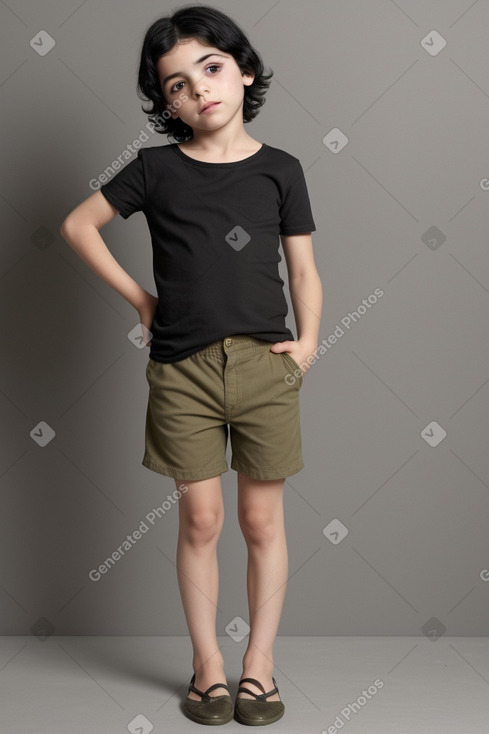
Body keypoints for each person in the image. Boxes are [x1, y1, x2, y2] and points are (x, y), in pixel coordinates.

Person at [60, 4, 322, 727]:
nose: (198, 89)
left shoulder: (280, 170)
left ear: (240, 69)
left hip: (266, 369)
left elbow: (303, 272)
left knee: (261, 523)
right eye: (175, 84)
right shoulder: (155, 170)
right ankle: (208, 664)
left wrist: (307, 344)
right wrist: (141, 302)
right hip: (182, 372)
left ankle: (258, 667)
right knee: (201, 521)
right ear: (165, 102)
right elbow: (77, 226)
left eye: (209, 68)